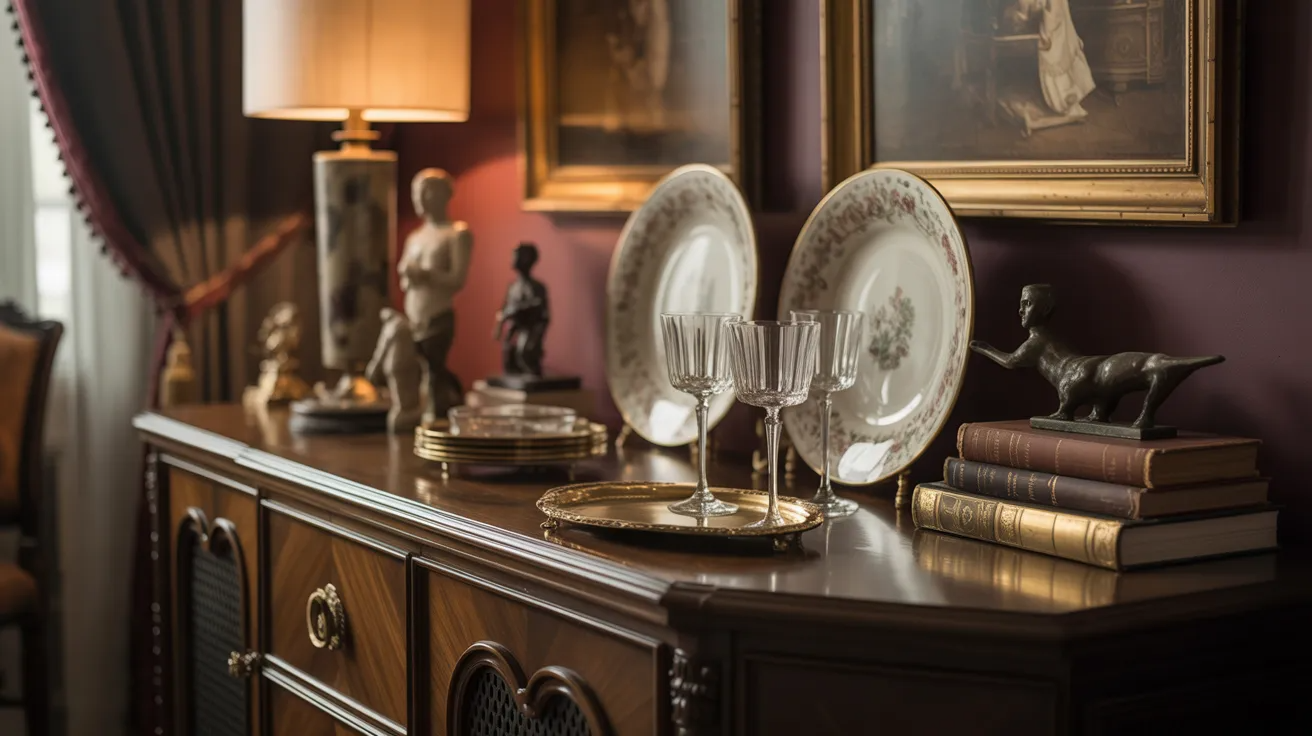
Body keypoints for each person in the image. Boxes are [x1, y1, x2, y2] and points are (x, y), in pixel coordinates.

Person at [398, 169, 472, 421]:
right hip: (413, 313)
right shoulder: (415, 237)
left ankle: (441, 417)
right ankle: (421, 414)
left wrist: (425, 274)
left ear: (442, 195)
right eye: (416, 193)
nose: (420, 198)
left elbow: (457, 280)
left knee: (433, 371)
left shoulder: (457, 234)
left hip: (437, 313)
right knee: (411, 369)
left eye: (426, 192)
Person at [493, 243, 549, 377]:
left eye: (517, 256)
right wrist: (500, 324)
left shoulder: (535, 287)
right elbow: (505, 307)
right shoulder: (513, 287)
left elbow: (539, 308)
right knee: (508, 353)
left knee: (524, 353)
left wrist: (515, 311)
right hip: (516, 328)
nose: (513, 259)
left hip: (530, 328)